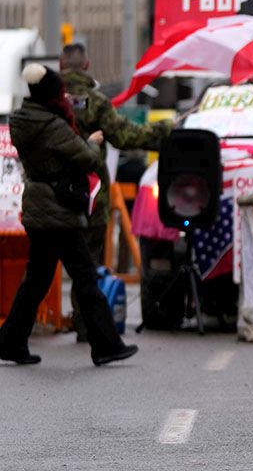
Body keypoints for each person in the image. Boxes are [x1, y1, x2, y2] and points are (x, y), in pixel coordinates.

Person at [0, 64, 138, 367]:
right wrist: (93, 142)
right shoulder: (53, 126)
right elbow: (87, 158)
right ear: (52, 94)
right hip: (58, 210)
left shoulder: (22, 120)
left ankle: (10, 341)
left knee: (36, 280)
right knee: (85, 276)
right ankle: (106, 344)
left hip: (37, 206)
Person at [60, 43, 170, 341]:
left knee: (43, 267)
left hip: (51, 194)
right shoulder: (95, 102)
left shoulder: (47, 100)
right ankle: (87, 326)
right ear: (87, 65)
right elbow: (125, 135)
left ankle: (24, 325)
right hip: (90, 194)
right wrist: (163, 132)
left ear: (60, 65)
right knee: (89, 263)